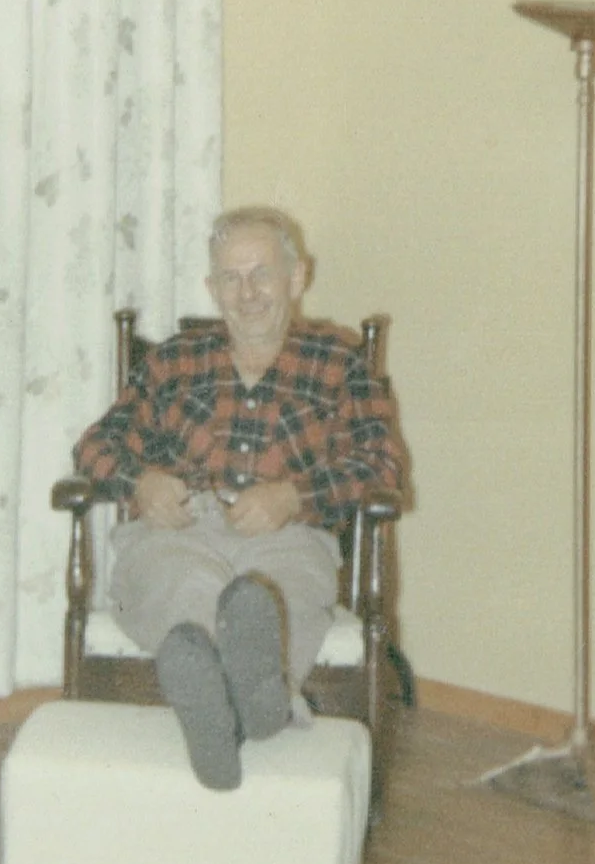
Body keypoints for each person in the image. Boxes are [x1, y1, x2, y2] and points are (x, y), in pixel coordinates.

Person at [71, 207, 404, 789]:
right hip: (179, 528)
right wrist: (140, 484)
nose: (247, 293)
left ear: (296, 278)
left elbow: (383, 466)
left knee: (274, 597)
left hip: (287, 535)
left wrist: (294, 497)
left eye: (262, 274)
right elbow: (96, 444)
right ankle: (257, 710)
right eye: (231, 278)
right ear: (211, 287)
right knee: (185, 587)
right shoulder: (173, 361)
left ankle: (220, 723)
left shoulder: (339, 365)